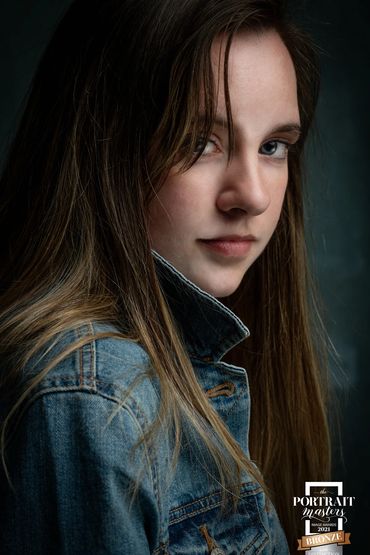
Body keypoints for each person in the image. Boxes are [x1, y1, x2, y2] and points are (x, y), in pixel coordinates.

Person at [0, 0, 332, 553]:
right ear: (104, 150)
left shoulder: (246, 346)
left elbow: (321, 529)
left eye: (274, 147)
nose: (251, 195)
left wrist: (329, 539)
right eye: (199, 142)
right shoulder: (88, 401)